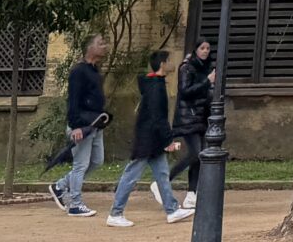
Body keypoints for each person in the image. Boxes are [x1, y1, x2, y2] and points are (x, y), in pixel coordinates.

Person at [106, 51, 186, 226]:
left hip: (152, 140)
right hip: (147, 140)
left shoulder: (155, 84)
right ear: (163, 64)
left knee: (162, 174)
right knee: (131, 175)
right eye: (169, 60)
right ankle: (115, 213)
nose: (172, 63)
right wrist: (168, 140)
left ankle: (172, 210)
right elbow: (158, 117)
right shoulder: (156, 87)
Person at [51, 33, 110, 217]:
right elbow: (73, 100)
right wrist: (75, 126)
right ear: (89, 48)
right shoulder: (79, 71)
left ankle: (60, 185)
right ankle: (75, 204)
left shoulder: (94, 71)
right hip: (81, 126)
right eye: (100, 43)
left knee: (97, 161)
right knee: (80, 165)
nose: (104, 46)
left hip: (96, 124)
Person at [173, 38, 214, 213]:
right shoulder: (187, 67)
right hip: (188, 117)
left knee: (198, 157)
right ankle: (165, 181)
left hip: (201, 117)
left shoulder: (206, 68)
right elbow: (185, 92)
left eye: (208, 48)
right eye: (202, 48)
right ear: (196, 49)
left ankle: (191, 193)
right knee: (195, 153)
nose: (205, 51)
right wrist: (207, 82)